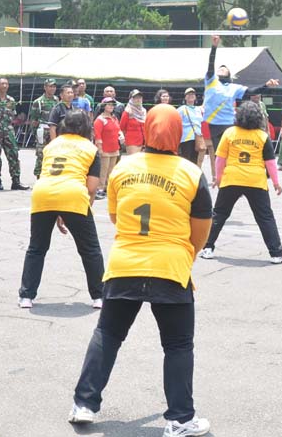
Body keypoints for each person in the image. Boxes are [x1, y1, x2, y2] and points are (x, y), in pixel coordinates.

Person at [69, 104, 213, 434]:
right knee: (177, 345)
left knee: (108, 334)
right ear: (178, 133)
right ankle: (180, 418)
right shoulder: (191, 173)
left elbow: (117, 216)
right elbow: (202, 227)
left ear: (146, 129)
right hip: (171, 266)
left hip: (125, 262)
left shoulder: (123, 168)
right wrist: (187, 251)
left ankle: (84, 404)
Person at [20, 110, 106, 309]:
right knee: (90, 250)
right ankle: (99, 296)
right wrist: (77, 211)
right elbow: (92, 188)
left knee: (36, 248)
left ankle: (26, 296)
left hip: (43, 193)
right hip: (73, 194)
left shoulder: (53, 144)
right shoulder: (90, 148)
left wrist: (59, 211)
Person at [199, 100, 282, 263]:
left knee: (219, 214)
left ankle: (207, 248)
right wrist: (276, 183)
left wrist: (218, 179)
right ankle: (277, 253)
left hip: (232, 178)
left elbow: (220, 159)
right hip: (255, 180)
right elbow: (270, 162)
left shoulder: (230, 133)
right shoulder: (262, 136)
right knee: (265, 217)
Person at [202, 34, 279, 152]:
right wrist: (214, 47)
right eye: (220, 68)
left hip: (229, 123)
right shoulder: (211, 81)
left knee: (232, 153)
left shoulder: (234, 87)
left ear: (229, 74)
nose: (221, 68)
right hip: (214, 124)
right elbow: (210, 65)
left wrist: (266, 86)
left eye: (224, 68)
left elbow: (251, 92)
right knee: (219, 154)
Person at [0, 78, 29, 191]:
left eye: (6, 84)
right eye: (2, 83)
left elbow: (13, 116)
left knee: (13, 156)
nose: (5, 86)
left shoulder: (11, 100)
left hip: (9, 132)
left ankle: (16, 181)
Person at [29, 78, 59, 178]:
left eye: (54, 86)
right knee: (41, 154)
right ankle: (39, 176)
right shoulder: (38, 102)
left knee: (54, 153)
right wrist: (36, 134)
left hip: (54, 130)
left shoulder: (57, 100)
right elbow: (33, 120)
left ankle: (51, 176)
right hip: (42, 130)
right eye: (50, 86)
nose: (52, 88)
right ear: (45, 87)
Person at [93, 98, 121, 199]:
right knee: (103, 170)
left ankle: (108, 187)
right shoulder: (100, 120)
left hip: (114, 148)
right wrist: (99, 148)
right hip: (105, 148)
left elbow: (118, 129)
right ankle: (100, 188)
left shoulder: (114, 118)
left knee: (111, 170)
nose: (111, 106)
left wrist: (121, 136)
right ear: (104, 106)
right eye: (109, 104)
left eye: (113, 105)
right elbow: (97, 135)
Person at [176, 88, 205, 166]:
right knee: (186, 160)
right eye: (188, 94)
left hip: (197, 138)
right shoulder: (181, 109)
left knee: (195, 160)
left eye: (192, 94)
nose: (191, 96)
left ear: (195, 97)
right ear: (185, 97)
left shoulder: (199, 109)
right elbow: (176, 121)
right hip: (186, 138)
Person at [119, 89, 146, 155]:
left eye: (139, 97)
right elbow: (122, 127)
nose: (138, 99)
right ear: (131, 99)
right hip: (132, 142)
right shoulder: (127, 111)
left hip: (143, 142)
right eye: (135, 98)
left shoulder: (144, 111)